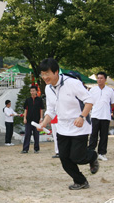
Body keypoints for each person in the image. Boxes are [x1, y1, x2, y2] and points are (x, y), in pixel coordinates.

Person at [36, 58, 98, 190]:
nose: (44, 77)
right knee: (64, 158)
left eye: (47, 73)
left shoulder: (73, 83)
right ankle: (80, 181)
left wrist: (82, 116)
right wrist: (44, 123)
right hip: (62, 128)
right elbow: (51, 110)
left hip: (79, 126)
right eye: (42, 74)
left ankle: (92, 156)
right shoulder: (48, 88)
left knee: (77, 157)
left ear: (56, 72)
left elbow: (89, 101)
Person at [88, 72, 114, 161]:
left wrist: (107, 108)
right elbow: (89, 101)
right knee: (93, 134)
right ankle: (91, 151)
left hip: (105, 116)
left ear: (105, 79)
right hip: (95, 115)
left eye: (101, 78)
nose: (99, 80)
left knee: (104, 135)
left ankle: (102, 153)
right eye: (98, 78)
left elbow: (113, 103)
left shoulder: (110, 90)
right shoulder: (92, 90)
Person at [22, 85, 44, 153]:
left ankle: (36, 149)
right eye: (31, 91)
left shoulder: (39, 100)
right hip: (28, 120)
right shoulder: (28, 100)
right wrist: (24, 118)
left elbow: (41, 109)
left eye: (33, 91)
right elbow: (25, 109)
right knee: (27, 134)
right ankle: (25, 149)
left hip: (37, 120)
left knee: (36, 135)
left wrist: (41, 118)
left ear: (36, 91)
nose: (32, 92)